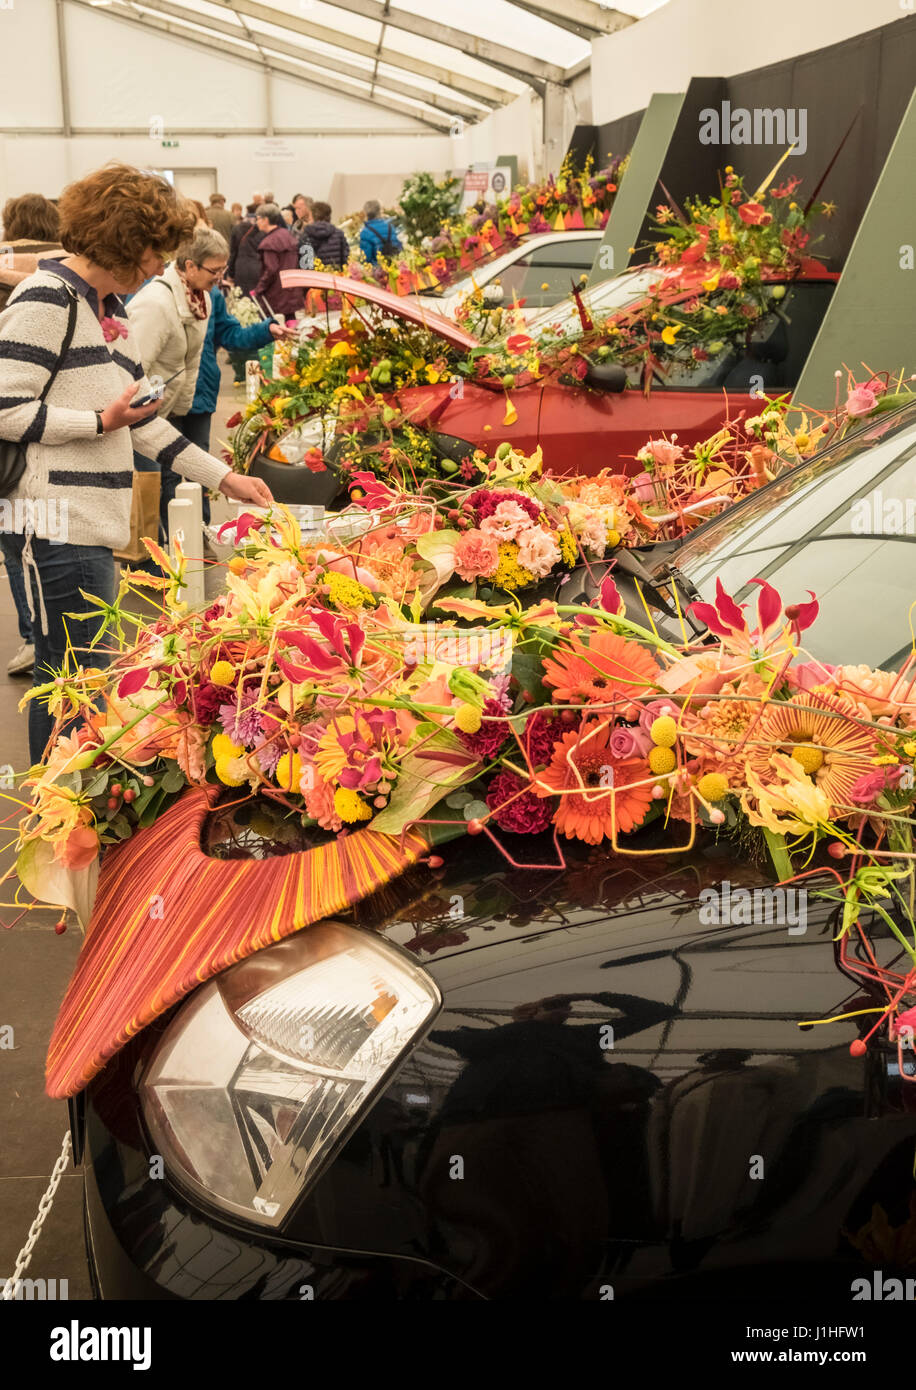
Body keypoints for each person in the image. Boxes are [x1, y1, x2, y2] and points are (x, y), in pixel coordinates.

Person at [0, 163, 270, 762]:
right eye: (153, 248)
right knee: (72, 685)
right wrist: (98, 423)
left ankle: (74, 823)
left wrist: (225, 477)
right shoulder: (48, 298)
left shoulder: (107, 310)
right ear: (122, 238)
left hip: (91, 527)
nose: (157, 264)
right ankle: (60, 825)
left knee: (86, 683)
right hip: (51, 526)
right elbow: (4, 408)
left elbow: (144, 422)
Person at [126, 227, 232, 534]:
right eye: (215, 270)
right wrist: (148, 412)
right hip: (142, 414)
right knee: (149, 487)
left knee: (170, 476)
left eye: (223, 269)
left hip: (167, 406)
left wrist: (177, 407)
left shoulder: (203, 299)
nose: (219, 277)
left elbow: (190, 361)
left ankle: (181, 543)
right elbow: (134, 369)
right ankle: (152, 563)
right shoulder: (155, 305)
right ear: (189, 266)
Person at [0, 196, 66, 676]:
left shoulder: (5, 269)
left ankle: (32, 635)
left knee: (12, 537)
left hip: (8, 433)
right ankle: (52, 633)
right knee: (52, 537)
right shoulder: (65, 273)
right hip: (56, 422)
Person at [185, 284, 287, 475]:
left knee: (200, 472)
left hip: (200, 392)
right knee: (163, 479)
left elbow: (231, 335)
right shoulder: (155, 288)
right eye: (214, 270)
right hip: (164, 395)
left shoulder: (211, 293)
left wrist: (266, 330)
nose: (218, 277)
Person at [251, 203, 302, 320]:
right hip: (292, 289)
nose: (256, 222)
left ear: (266, 220)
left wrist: (259, 288)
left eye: (258, 219)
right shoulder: (288, 235)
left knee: (275, 327)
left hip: (277, 293)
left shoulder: (269, 242)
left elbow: (271, 269)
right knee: (291, 323)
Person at [299, 201, 350, 271]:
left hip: (315, 279)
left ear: (313, 216)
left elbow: (306, 265)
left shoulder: (306, 235)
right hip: (335, 277)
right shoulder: (338, 233)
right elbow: (345, 260)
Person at [228, 203, 263, 294]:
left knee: (242, 298)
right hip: (258, 267)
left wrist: (230, 273)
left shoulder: (237, 228)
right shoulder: (262, 229)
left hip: (240, 267)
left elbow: (233, 253)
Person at [359, 199, 402, 265]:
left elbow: (366, 258)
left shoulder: (365, 232)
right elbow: (398, 247)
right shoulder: (390, 227)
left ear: (366, 213)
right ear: (380, 211)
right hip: (393, 267)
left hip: (376, 271)